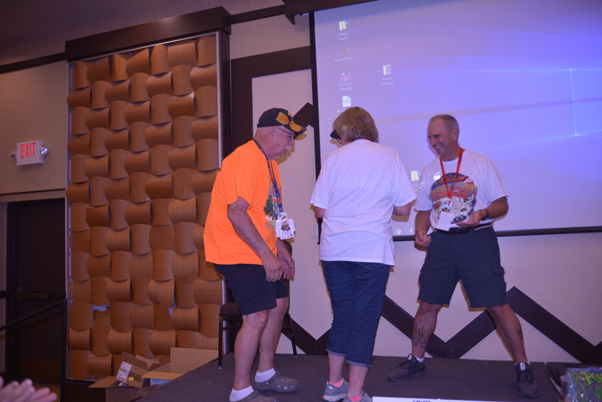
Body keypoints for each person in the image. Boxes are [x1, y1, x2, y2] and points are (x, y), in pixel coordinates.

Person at [387, 114, 541, 398]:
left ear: (454, 133)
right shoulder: (429, 171)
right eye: (429, 138)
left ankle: (523, 367)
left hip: (477, 240)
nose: (433, 142)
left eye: (437, 136)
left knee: (497, 306)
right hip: (442, 244)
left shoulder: (480, 163)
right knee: (428, 304)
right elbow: (423, 210)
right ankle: (416, 361)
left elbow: (502, 204)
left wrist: (482, 213)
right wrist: (420, 231)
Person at [311, 107, 416, 402]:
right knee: (364, 321)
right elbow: (404, 209)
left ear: (344, 132)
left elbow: (320, 211)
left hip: (334, 250)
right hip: (371, 249)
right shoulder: (389, 155)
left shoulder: (333, 159)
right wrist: (378, 204)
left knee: (343, 316)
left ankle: (334, 385)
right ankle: (355, 396)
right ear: (370, 128)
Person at [204, 108, 307, 402]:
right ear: (271, 132)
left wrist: (280, 247)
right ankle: (240, 391)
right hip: (236, 249)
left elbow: (270, 212)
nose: (292, 144)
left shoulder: (270, 164)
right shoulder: (245, 159)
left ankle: (265, 373)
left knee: (278, 305)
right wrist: (266, 254)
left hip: (257, 248)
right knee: (257, 315)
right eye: (289, 137)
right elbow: (236, 213)